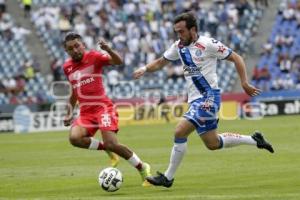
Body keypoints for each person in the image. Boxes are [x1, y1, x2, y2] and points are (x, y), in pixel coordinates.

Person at [133, 12, 274, 188]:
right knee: (213, 143)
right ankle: (254, 140)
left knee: (179, 132)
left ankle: (168, 177)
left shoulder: (208, 44)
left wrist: (244, 82)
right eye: (177, 32)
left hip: (209, 97)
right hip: (195, 100)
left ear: (193, 29)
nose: (179, 35)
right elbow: (161, 62)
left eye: (182, 31)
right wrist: (145, 68)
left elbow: (236, 57)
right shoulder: (179, 46)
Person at [62, 32, 151, 186]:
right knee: (74, 138)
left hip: (103, 109)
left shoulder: (94, 57)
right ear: (66, 51)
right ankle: (107, 150)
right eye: (71, 48)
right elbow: (74, 90)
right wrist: (69, 111)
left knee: (112, 144)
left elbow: (118, 61)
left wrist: (109, 50)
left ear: (82, 45)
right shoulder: (67, 67)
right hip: (86, 112)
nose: (75, 50)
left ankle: (142, 167)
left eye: (77, 46)